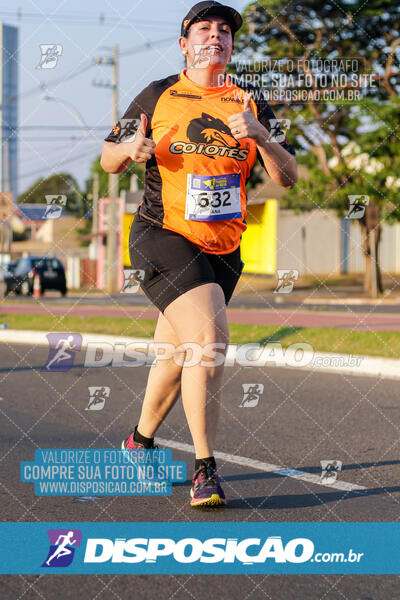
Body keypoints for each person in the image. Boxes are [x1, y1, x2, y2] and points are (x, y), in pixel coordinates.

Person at [101, 0, 297, 507]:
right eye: (204, 29)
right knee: (208, 342)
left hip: (223, 248)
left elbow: (288, 175)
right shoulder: (158, 93)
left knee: (174, 354)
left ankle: (138, 444)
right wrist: (131, 150)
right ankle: (205, 470)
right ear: (185, 44)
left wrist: (260, 136)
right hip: (162, 233)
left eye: (225, 31)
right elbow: (108, 158)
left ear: (232, 45)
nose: (216, 36)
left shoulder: (250, 100)